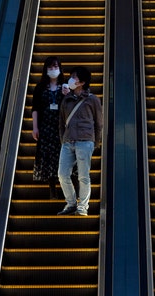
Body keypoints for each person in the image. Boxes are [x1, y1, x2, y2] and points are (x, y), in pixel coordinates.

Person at [56, 66, 102, 216]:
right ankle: (70, 203)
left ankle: (83, 207)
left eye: (74, 77)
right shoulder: (66, 99)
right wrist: (63, 138)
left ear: (82, 82)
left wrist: (95, 141)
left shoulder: (92, 100)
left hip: (85, 140)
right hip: (68, 141)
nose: (71, 79)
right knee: (62, 174)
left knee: (83, 175)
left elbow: (98, 122)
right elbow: (61, 121)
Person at [31, 56, 66, 199]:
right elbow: (35, 108)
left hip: (61, 127)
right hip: (45, 127)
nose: (53, 70)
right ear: (46, 69)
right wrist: (35, 127)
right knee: (48, 157)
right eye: (50, 67)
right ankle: (52, 188)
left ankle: (66, 188)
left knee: (63, 156)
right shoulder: (40, 88)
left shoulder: (64, 86)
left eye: (55, 67)